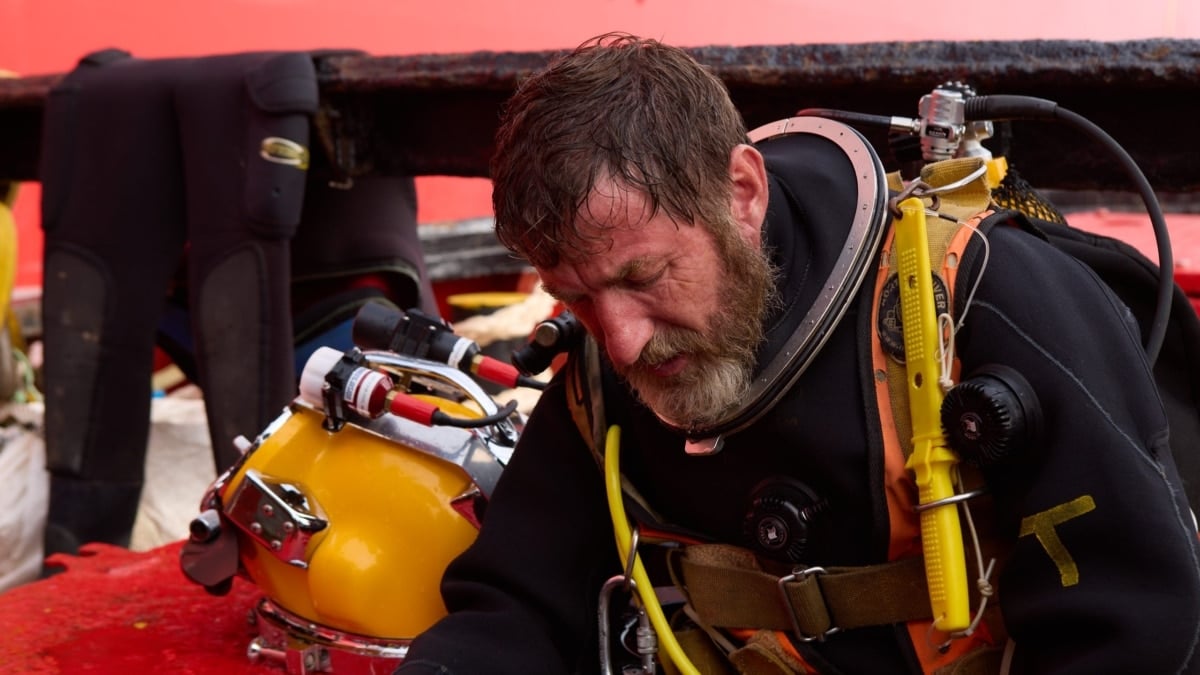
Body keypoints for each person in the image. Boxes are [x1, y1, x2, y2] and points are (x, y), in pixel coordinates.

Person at [396, 33, 1200, 674]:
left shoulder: (984, 301)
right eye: (573, 297)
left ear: (741, 195)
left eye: (645, 276)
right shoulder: (608, 372)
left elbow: (1137, 628)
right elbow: (518, 603)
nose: (620, 339)